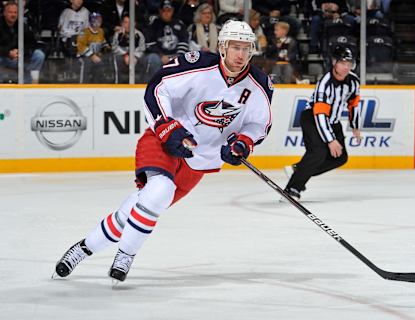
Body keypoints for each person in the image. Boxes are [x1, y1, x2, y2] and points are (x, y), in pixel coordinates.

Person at [53, 20, 273, 283]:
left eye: (246, 48)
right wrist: (167, 126)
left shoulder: (259, 84)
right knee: (160, 191)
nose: (241, 54)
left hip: (199, 162)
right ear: (222, 47)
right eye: (235, 47)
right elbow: (158, 87)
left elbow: (259, 123)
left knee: (142, 206)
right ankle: (126, 254)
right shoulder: (197, 64)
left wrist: (243, 143)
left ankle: (83, 248)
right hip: (165, 142)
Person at [283, 45, 361, 201]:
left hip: (333, 121)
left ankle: (298, 170)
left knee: (340, 157)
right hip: (312, 119)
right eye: (343, 63)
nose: (346, 67)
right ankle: (292, 188)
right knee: (318, 153)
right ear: (334, 62)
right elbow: (320, 115)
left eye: (349, 63)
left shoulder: (353, 81)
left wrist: (355, 126)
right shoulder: (325, 84)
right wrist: (331, 140)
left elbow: (353, 103)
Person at [0, 1, 45, 83]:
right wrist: (8, 53)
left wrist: (21, 52)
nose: (13, 15)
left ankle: (27, 79)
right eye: (10, 12)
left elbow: (31, 43)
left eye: (15, 12)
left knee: (39, 55)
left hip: (20, 57)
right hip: (4, 57)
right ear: (4, 13)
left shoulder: (22, 25)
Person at [144, 0, 189, 80]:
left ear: (172, 11)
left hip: (176, 56)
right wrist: (161, 56)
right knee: (153, 59)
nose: (166, 13)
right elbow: (149, 44)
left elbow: (184, 41)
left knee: (186, 60)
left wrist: (178, 56)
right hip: (159, 56)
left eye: (169, 11)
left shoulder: (179, 24)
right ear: (160, 11)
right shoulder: (154, 25)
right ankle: (154, 84)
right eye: (164, 10)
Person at [77, 12, 112, 83]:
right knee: (87, 64)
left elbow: (102, 41)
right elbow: (81, 46)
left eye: (99, 19)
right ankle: (83, 86)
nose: (98, 21)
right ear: (91, 21)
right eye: (96, 19)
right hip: (83, 57)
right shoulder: (84, 32)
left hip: (97, 56)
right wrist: (92, 56)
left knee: (101, 67)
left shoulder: (100, 31)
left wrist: (106, 46)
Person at [111, 14, 146, 83]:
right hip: (121, 58)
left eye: (131, 22)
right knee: (115, 59)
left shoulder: (139, 34)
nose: (128, 25)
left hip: (135, 58)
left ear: (135, 24)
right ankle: (117, 84)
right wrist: (125, 55)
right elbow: (114, 48)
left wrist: (134, 56)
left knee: (144, 60)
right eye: (126, 22)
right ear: (122, 24)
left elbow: (142, 48)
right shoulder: (118, 34)